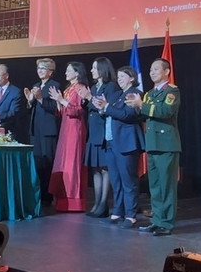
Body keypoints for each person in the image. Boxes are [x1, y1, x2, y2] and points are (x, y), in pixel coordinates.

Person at [125, 58, 181, 236]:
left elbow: (165, 112)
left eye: (156, 69)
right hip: (152, 144)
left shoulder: (172, 91)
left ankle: (167, 222)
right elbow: (145, 117)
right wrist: (135, 106)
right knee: (155, 186)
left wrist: (141, 105)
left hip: (166, 144)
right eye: (150, 69)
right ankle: (157, 220)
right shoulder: (149, 94)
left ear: (167, 71)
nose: (152, 72)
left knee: (167, 185)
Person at [95, 66, 144, 228]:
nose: (119, 79)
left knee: (128, 180)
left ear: (131, 78)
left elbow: (127, 115)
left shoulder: (134, 94)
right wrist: (102, 107)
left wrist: (107, 107)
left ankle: (131, 215)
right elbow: (110, 111)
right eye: (118, 76)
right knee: (116, 180)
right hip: (111, 142)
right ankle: (117, 212)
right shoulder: (117, 95)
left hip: (126, 143)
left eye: (123, 76)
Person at [78, 57, 119, 218]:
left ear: (102, 69)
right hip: (93, 131)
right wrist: (86, 99)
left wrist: (89, 98)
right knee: (95, 169)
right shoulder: (94, 87)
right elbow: (91, 107)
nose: (92, 71)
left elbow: (105, 107)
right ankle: (96, 203)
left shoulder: (111, 87)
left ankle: (103, 203)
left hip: (104, 132)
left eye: (95, 68)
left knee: (104, 169)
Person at [47, 62, 89, 212]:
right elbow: (64, 110)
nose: (65, 73)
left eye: (68, 71)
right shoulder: (69, 89)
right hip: (66, 126)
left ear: (77, 73)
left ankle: (74, 201)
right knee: (63, 162)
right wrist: (58, 102)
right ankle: (62, 199)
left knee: (72, 162)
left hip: (75, 127)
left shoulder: (80, 88)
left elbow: (78, 110)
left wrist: (61, 100)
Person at [24, 58, 60, 206]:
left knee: (47, 161)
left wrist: (39, 99)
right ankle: (38, 193)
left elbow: (55, 108)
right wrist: (29, 101)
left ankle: (47, 195)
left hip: (48, 129)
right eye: (38, 68)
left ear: (50, 71)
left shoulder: (54, 85)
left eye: (43, 68)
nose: (40, 71)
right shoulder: (36, 85)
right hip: (35, 129)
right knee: (37, 161)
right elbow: (31, 108)